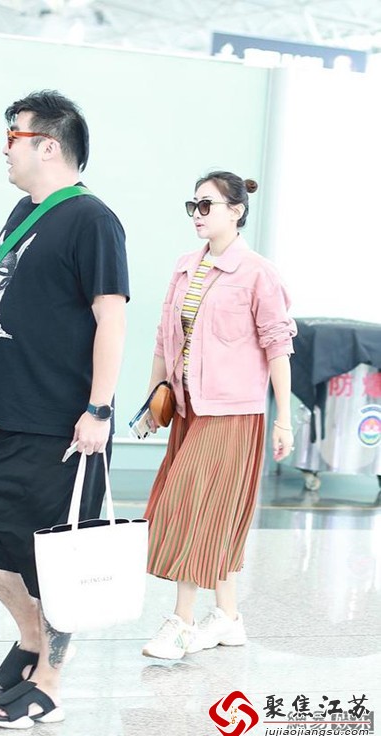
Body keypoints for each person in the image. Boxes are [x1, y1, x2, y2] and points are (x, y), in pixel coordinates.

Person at [0, 90, 129, 728]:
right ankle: (32, 635)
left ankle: (51, 685)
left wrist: (98, 409)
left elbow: (111, 319)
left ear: (49, 146)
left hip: (62, 420)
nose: (5, 149)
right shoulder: (23, 213)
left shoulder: (92, 220)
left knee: (55, 555)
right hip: (1, 410)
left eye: (14, 137)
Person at [141, 170, 296, 660]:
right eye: (194, 205)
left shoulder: (258, 272)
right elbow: (164, 339)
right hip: (189, 408)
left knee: (190, 507)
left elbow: (278, 346)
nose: (197, 214)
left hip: (232, 413)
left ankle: (182, 622)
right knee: (215, 513)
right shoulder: (185, 267)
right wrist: (154, 400)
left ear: (237, 211)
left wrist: (284, 419)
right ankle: (228, 617)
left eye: (207, 205)